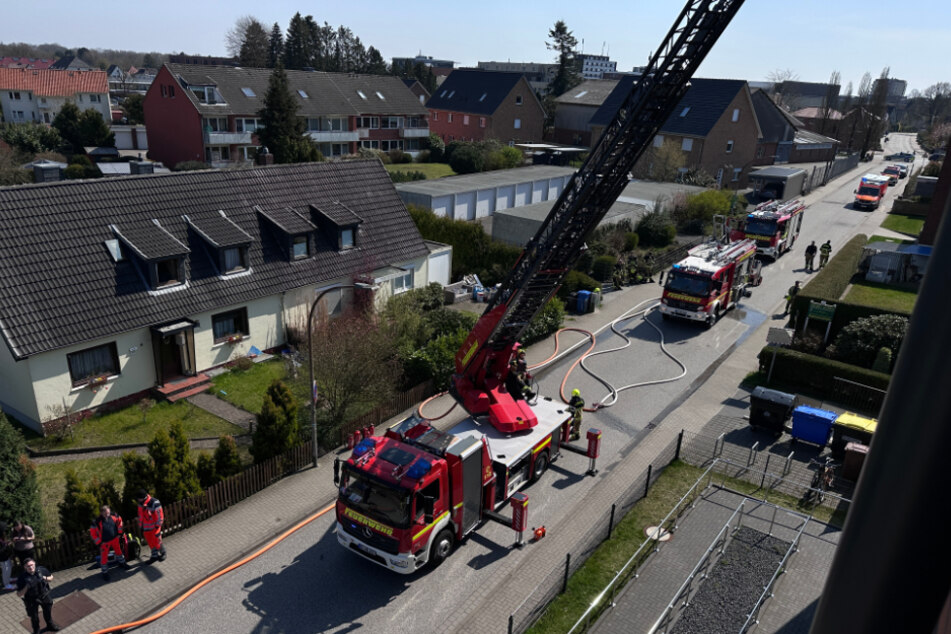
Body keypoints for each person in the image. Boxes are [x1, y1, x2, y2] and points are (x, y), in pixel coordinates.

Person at [16, 557, 60, 634]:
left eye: (32, 565)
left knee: (47, 612)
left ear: (35, 564)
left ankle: (50, 625)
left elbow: (51, 577)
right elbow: (19, 594)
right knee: (34, 618)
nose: (30, 567)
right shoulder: (22, 578)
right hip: (31, 599)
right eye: (28, 566)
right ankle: (36, 631)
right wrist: (27, 586)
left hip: (44, 595)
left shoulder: (41, 570)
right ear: (25, 567)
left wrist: (43, 577)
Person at [89, 505, 131, 581]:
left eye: (108, 513)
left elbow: (120, 522)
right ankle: (105, 572)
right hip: (104, 542)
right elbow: (93, 533)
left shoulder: (114, 515)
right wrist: (99, 542)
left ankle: (122, 563)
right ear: (101, 513)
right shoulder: (96, 522)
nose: (107, 515)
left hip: (115, 538)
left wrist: (119, 533)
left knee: (119, 551)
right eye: (105, 514)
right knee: (104, 557)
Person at [136, 490, 166, 563]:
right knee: (150, 542)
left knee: (157, 541)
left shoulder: (154, 502)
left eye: (138, 498)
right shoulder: (140, 504)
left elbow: (159, 516)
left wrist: (158, 526)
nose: (137, 500)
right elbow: (140, 516)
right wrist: (141, 526)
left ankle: (163, 553)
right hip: (146, 528)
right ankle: (154, 556)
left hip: (154, 527)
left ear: (143, 497)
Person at [1, 522, 15, 590]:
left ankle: (9, 579)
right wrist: (7, 546)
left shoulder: (1, 538)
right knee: (6, 570)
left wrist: (7, 543)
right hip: (2, 558)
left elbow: (3, 544)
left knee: (9, 567)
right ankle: (6, 584)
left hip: (6, 556)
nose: (5, 531)